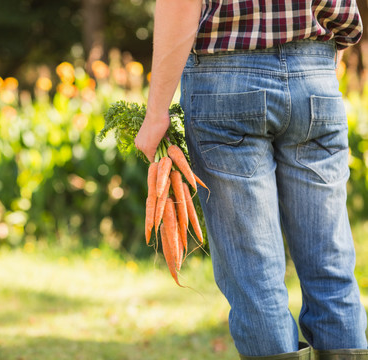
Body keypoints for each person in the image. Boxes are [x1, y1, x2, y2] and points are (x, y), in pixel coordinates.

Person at [135, 0, 368, 359]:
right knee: (331, 271)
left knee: (255, 282)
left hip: (226, 78)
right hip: (316, 74)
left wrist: (155, 113)